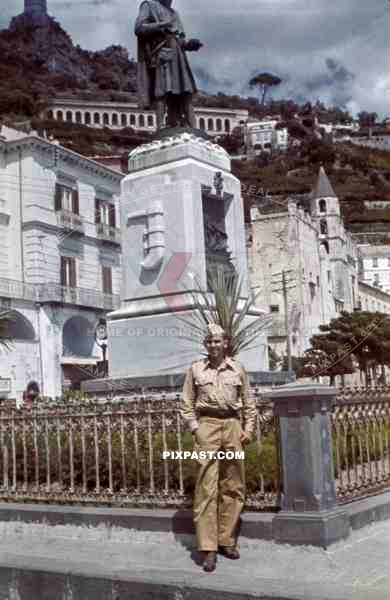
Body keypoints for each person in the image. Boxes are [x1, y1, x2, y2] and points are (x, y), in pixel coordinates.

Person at [181, 323, 256, 572]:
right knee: (206, 487)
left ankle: (226, 540)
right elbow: (186, 402)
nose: (213, 345)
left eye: (217, 341)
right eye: (209, 341)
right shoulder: (195, 369)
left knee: (234, 485)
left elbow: (249, 402)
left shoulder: (238, 369)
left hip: (233, 427)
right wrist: (195, 428)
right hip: (208, 426)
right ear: (206, 345)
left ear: (225, 343)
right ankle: (208, 548)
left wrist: (249, 429)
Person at [135, 0, 203, 129]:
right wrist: (161, 25)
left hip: (178, 56)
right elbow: (139, 28)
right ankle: (160, 127)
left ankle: (192, 128)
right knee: (162, 90)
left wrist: (189, 45)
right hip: (163, 54)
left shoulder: (174, 13)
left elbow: (180, 40)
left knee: (185, 91)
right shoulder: (149, 5)